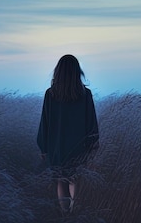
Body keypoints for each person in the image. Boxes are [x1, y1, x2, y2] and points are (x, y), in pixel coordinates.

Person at [37, 55, 99, 213]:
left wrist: (43, 147)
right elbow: (91, 121)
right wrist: (93, 145)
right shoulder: (85, 94)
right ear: (78, 72)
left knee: (61, 180)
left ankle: (66, 215)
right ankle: (74, 211)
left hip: (57, 145)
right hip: (78, 145)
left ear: (58, 72)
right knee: (75, 179)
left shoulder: (50, 94)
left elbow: (45, 122)